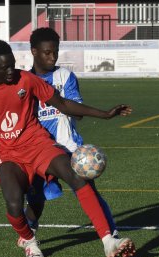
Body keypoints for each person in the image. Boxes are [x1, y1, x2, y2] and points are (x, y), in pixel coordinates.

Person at [0, 40, 135, 257]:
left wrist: (105, 114)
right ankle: (28, 240)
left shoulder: (26, 79)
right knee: (14, 203)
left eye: (12, 64)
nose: (11, 71)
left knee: (75, 175)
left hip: (38, 144)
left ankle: (108, 241)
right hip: (8, 154)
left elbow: (63, 104)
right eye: (4, 67)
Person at [24, 27, 119, 245]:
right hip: (39, 148)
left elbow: (72, 106)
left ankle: (111, 234)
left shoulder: (65, 76)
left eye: (55, 51)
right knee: (36, 198)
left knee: (89, 191)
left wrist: (90, 113)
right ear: (34, 51)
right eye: (47, 52)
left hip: (68, 146)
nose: (52, 56)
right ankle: (29, 231)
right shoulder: (25, 81)